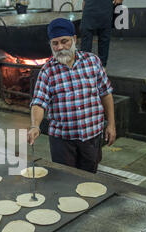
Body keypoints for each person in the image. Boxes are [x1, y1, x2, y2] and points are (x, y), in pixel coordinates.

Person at [27, 18, 116, 173]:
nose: (60, 47)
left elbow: (105, 94)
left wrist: (111, 124)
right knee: (65, 180)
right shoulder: (48, 71)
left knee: (89, 179)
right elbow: (39, 102)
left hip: (92, 135)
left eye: (64, 41)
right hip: (62, 140)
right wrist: (35, 125)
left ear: (74, 39)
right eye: (55, 43)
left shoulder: (92, 62)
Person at [80, 0, 123, 67]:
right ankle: (84, 67)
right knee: (86, 41)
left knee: (104, 39)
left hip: (105, 9)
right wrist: (83, 13)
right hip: (88, 9)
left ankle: (102, 67)